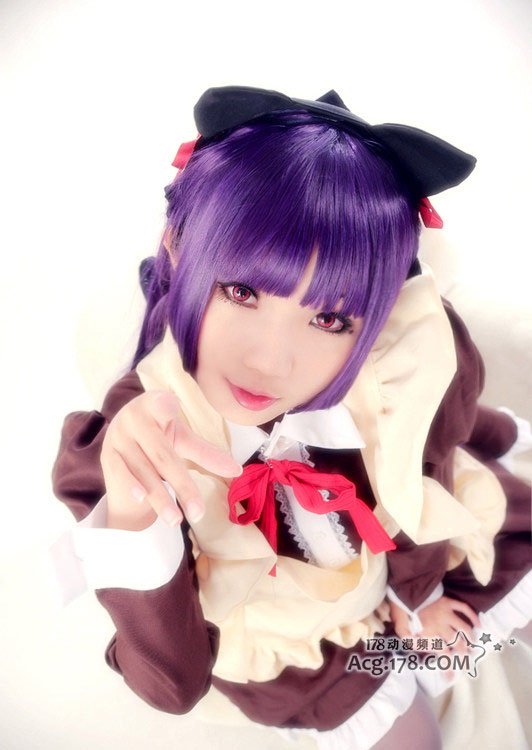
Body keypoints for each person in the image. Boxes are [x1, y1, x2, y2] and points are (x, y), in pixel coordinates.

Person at [50, 86, 531, 750]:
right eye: (241, 291)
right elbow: (171, 684)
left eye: (330, 318)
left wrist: (418, 598)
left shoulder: (398, 361)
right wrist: (134, 509)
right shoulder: (138, 435)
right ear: (177, 249)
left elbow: (430, 466)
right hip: (297, 645)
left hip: (409, 556)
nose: (270, 362)